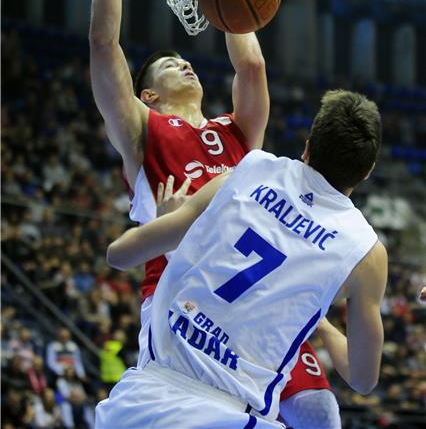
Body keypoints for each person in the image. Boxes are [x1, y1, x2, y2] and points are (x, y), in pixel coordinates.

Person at [89, 0, 339, 426]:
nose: (184, 62)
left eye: (184, 59)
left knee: (318, 410)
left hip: (255, 297)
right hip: (182, 300)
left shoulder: (237, 132)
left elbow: (251, 63)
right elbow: (103, 44)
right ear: (148, 96)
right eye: (168, 65)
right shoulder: (144, 131)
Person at [97, 89, 388, 428]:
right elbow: (363, 378)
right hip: (228, 412)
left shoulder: (252, 168)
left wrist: (162, 221)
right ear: (367, 171)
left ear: (308, 146)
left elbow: (119, 256)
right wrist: (321, 322)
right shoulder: (367, 252)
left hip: (138, 402)